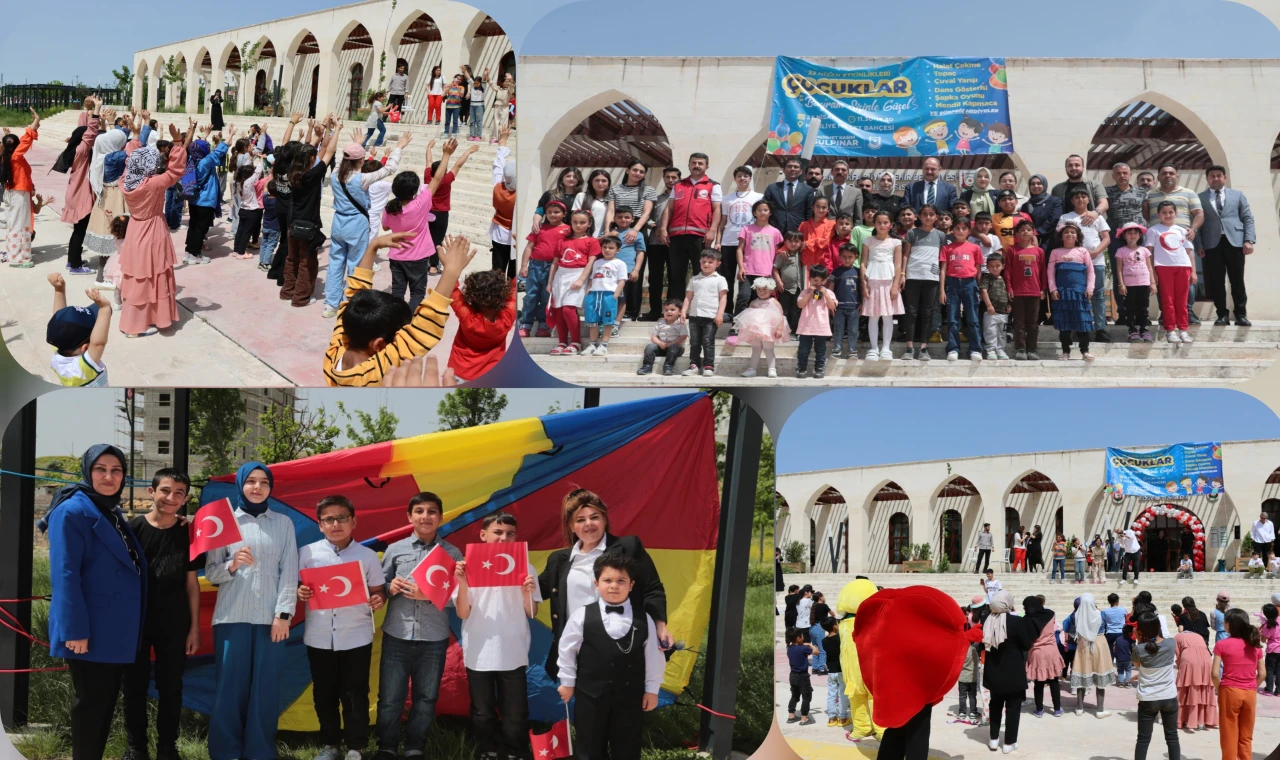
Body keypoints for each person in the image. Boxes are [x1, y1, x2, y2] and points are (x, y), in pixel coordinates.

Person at [44, 445, 146, 760]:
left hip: (111, 629)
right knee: (91, 708)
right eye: (101, 469)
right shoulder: (73, 511)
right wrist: (74, 630)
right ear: (88, 471)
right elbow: (65, 574)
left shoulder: (107, 510)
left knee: (102, 708)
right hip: (88, 632)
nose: (108, 476)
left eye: (116, 470)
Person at [203, 463, 298, 760]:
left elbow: (290, 572)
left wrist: (283, 615)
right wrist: (232, 565)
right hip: (232, 618)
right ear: (241, 485)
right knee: (229, 689)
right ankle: (226, 752)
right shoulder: (223, 521)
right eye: (251, 481)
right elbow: (210, 573)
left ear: (271, 487)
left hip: (271, 621)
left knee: (265, 690)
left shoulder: (284, 523)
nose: (257, 487)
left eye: (264, 482)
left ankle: (260, 752)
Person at [538, 489, 672, 682]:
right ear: (572, 526)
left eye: (594, 517)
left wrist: (661, 626)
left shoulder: (628, 547)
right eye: (580, 520)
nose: (589, 524)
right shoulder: (558, 560)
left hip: (624, 646)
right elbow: (534, 591)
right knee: (585, 708)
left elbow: (652, 588)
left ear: (604, 519)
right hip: (579, 651)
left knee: (624, 707)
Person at [374, 492, 465, 760]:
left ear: (440, 517)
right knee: (390, 697)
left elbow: (460, 596)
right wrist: (391, 587)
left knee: (426, 697)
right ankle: (386, 746)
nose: (426, 516)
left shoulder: (452, 552)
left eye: (432, 511)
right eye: (420, 511)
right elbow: (380, 586)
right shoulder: (395, 549)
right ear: (410, 516)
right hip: (397, 633)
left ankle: (415, 746)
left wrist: (431, 595)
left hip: (434, 637)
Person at [296, 495, 386, 760]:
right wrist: (299, 592)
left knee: (356, 694)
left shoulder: (367, 556)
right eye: (329, 519)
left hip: (356, 636)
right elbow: (294, 588)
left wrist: (379, 598)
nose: (336, 524)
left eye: (342, 518)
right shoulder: (307, 553)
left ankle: (356, 747)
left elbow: (378, 590)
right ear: (320, 524)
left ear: (353, 521)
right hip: (319, 637)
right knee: (324, 694)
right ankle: (330, 745)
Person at [322, 233, 473, 387]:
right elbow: (422, 330)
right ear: (379, 345)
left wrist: (373, 247)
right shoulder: (375, 373)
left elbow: (354, 295)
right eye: (399, 336)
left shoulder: (336, 350)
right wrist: (452, 271)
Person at [122, 469, 201, 760]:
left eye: (179, 493)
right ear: (151, 492)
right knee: (133, 688)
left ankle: (168, 748)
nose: (171, 497)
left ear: (186, 499)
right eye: (165, 490)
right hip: (135, 623)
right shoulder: (131, 529)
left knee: (172, 688)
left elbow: (192, 584)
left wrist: (194, 628)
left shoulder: (187, 532)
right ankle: (136, 748)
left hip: (175, 624)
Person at [453, 512, 541, 760]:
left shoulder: (526, 566)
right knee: (482, 710)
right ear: (483, 535)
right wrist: (461, 582)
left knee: (515, 710)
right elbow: (462, 612)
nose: (504, 538)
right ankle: (487, 750)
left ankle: (517, 751)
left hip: (513, 648)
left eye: (510, 534)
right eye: (498, 532)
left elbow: (532, 612)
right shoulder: (466, 566)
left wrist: (527, 592)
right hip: (479, 650)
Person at [119, 121, 191, 338]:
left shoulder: (126, 181)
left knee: (138, 278)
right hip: (153, 229)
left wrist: (134, 135)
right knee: (154, 276)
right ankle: (148, 322)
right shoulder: (153, 183)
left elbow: (132, 155)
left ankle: (135, 320)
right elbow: (177, 170)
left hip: (135, 229)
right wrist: (177, 142)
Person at [324, 133, 407, 317]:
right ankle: (350, 302)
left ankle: (330, 304)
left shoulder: (336, 173)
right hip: (357, 223)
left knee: (336, 263)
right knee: (357, 264)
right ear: (361, 161)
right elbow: (390, 168)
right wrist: (399, 147)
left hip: (338, 221)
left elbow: (339, 159)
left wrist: (356, 143)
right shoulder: (362, 179)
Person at [380, 139, 457, 311]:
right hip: (418, 257)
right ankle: (410, 321)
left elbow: (385, 228)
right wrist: (446, 154)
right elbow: (437, 178)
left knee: (397, 293)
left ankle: (396, 321)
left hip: (396, 257)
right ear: (415, 191)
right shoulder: (421, 203)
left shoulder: (390, 207)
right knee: (417, 293)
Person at [280, 117, 340, 307]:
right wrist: (336, 129)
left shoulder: (292, 172)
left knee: (292, 259)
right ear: (312, 161)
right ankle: (301, 298)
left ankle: (287, 291)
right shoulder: (312, 176)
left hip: (293, 223)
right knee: (307, 262)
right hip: (307, 225)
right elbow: (329, 152)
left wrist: (321, 134)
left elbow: (317, 151)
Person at [1143, 164, 1205, 326]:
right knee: (1162, 279)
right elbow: (1145, 214)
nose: (1168, 175)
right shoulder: (1150, 195)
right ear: (1159, 177)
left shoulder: (1189, 193)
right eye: (1164, 173)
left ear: (1177, 176)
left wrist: (1193, 229)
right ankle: (1166, 312)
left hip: (1182, 242)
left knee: (1187, 277)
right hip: (1159, 243)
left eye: (1171, 173)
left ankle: (1188, 310)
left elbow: (1199, 213)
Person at [656, 153, 721, 301]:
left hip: (700, 236)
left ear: (706, 166)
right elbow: (669, 208)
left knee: (702, 272)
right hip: (676, 235)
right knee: (676, 273)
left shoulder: (713, 185)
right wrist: (663, 228)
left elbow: (717, 209)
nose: (697, 165)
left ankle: (701, 308)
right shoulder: (678, 185)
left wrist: (712, 230)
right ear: (689, 165)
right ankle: (677, 307)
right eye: (694, 163)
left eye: (700, 163)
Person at [1198, 165, 1255, 326]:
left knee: (1237, 280)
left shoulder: (1237, 195)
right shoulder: (1200, 198)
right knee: (1216, 281)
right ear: (1207, 179)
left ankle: (1241, 314)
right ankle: (1221, 314)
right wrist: (1199, 245)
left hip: (1235, 242)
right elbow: (1197, 223)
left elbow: (1248, 218)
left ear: (1224, 177)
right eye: (1212, 176)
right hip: (1211, 244)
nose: (1215, 178)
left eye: (1218, 175)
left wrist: (1248, 240)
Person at [1057, 189, 1112, 343]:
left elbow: (1106, 238)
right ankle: (1078, 327)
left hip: (1096, 261)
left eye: (1083, 196)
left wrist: (1095, 252)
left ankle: (1100, 329)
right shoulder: (1065, 217)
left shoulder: (1097, 217)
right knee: (1078, 296)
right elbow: (1060, 237)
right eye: (1076, 197)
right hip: (1074, 264)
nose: (1080, 199)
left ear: (1088, 199)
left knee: (1098, 295)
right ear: (1072, 201)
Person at [982, 591, 1034, 754]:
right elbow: (1026, 645)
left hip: (994, 671)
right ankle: (1009, 742)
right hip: (1013, 671)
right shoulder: (1017, 622)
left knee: (995, 705)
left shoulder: (987, 620)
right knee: (1013, 707)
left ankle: (993, 739)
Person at [546, 209, 601, 356]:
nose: (578, 225)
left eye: (582, 222)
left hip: (578, 274)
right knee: (558, 309)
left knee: (568, 309)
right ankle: (562, 342)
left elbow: (591, 262)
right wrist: (550, 282)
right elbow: (555, 262)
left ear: (589, 224)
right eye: (575, 222)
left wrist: (582, 279)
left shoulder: (592, 241)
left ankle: (576, 342)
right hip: (561, 276)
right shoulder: (562, 241)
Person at [424, 133, 480, 275]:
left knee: (427, 238)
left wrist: (429, 148)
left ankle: (424, 262)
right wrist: (468, 151)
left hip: (427, 212)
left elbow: (428, 162)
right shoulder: (446, 179)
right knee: (438, 240)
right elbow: (458, 164)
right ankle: (433, 266)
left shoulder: (427, 177)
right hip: (441, 214)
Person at [1213, 608, 1265, 760]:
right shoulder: (1255, 645)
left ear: (1228, 624)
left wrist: (1220, 688)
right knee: (1246, 736)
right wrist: (1251, 686)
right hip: (1249, 693)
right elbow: (1262, 674)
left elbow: (1215, 673)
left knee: (1229, 735)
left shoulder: (1222, 644)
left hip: (1229, 691)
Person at [46, 273, 112, 386]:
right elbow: (98, 344)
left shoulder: (59, 353)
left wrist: (59, 290)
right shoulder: (83, 369)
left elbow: (59, 320)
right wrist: (105, 309)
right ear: (85, 347)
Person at [1104, 162, 1148, 324]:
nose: (1122, 176)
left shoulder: (1141, 192)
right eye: (1118, 173)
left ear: (1130, 174)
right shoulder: (1107, 192)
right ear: (1113, 176)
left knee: (1140, 274)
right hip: (1116, 238)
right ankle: (1123, 313)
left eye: (1125, 173)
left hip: (1138, 238)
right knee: (1119, 274)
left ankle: (1141, 313)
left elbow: (1145, 213)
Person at [1131, 612, 1180, 760]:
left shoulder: (1138, 649)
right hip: (1169, 697)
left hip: (1148, 698)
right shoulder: (1171, 643)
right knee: (1172, 738)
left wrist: (1139, 639)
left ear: (1140, 631)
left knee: (1143, 740)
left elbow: (1137, 664)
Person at [62, 99, 102, 275]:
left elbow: (83, 132)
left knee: (77, 231)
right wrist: (97, 109)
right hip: (80, 197)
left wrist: (87, 110)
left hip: (74, 195)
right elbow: (90, 132)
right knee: (80, 231)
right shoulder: (82, 152)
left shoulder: (75, 150)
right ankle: (76, 266)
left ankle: (72, 261)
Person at [183, 126, 233, 266]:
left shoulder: (192, 158)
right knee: (200, 228)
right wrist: (231, 135)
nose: (209, 148)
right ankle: (195, 254)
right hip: (204, 202)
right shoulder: (205, 162)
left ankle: (189, 252)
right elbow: (219, 151)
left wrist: (205, 135)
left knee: (193, 226)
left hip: (194, 201)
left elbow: (198, 147)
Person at [519, 200, 569, 337]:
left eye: (557, 212)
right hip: (535, 265)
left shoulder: (568, 230)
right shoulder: (539, 228)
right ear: (545, 214)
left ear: (564, 214)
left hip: (554, 268)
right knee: (531, 295)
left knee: (547, 296)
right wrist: (524, 266)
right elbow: (529, 247)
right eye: (550, 212)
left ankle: (543, 326)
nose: (553, 215)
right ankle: (525, 325)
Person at [900, 204, 944, 360]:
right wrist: (903, 273)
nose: (928, 217)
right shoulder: (912, 233)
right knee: (911, 312)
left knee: (927, 313)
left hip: (931, 279)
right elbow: (905, 255)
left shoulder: (940, 235)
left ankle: (924, 349)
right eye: (924, 214)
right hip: (913, 276)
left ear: (936, 217)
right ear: (919, 216)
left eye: (931, 214)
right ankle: (910, 348)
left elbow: (942, 261)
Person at [1048, 221, 1096, 361]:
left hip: (1080, 293)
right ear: (1061, 236)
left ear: (1077, 236)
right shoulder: (1055, 252)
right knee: (1064, 325)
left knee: (1082, 322)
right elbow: (1050, 272)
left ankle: (1085, 351)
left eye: (1072, 232)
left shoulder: (1083, 251)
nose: (1069, 234)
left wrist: (1090, 288)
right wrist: (1053, 289)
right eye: (1066, 232)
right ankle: (1065, 351)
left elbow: (1091, 271)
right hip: (1062, 293)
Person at [860, 210, 903, 361]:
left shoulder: (896, 242)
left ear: (891, 225)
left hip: (889, 281)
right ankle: (873, 348)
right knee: (873, 316)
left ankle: (886, 348)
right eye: (879, 222)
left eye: (885, 222)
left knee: (887, 316)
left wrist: (895, 285)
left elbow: (898, 265)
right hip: (872, 281)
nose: (882, 225)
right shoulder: (868, 241)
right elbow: (863, 263)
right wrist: (864, 284)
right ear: (874, 223)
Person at [940, 217, 984, 362]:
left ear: (968, 231)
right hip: (952, 283)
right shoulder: (947, 248)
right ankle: (953, 348)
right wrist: (941, 290)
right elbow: (943, 270)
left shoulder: (975, 248)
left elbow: (978, 270)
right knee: (952, 318)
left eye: (963, 228)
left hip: (970, 284)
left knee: (972, 318)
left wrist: (980, 288)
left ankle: (975, 349)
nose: (960, 231)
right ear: (952, 230)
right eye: (957, 228)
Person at [640, 167, 682, 319]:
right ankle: (655, 310)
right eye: (668, 177)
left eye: (674, 177)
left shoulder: (681, 198)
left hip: (675, 243)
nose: (671, 180)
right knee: (655, 278)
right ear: (664, 179)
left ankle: (673, 311)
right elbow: (646, 216)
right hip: (655, 243)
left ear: (679, 179)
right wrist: (654, 226)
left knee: (675, 278)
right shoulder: (656, 199)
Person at [735, 200, 784, 325]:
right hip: (748, 270)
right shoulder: (746, 229)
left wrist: (775, 273)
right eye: (759, 210)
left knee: (762, 300)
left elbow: (777, 253)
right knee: (743, 297)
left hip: (766, 272)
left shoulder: (775, 232)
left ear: (770, 213)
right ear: (754, 213)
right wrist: (741, 267)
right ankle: (737, 325)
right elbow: (740, 249)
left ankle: (760, 325)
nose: (763, 212)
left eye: (765, 210)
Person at [681, 249, 728, 377]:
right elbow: (688, 297)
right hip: (695, 315)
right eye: (704, 262)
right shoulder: (694, 279)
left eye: (710, 262)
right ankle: (694, 365)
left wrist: (719, 314)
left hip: (711, 316)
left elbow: (723, 298)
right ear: (700, 262)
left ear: (717, 263)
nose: (706, 264)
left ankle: (709, 366)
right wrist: (684, 311)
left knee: (708, 341)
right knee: (694, 342)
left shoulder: (720, 279)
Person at [1, 108, 39, 266]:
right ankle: (17, 258)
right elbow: (27, 137)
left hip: (12, 192)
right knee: (20, 224)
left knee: (15, 223)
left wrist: (6, 137)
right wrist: (36, 120)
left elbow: (9, 144)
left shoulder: (4, 156)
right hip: (19, 193)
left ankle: (14, 254)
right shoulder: (16, 156)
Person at [1069, 593, 1115, 717]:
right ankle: (1100, 710)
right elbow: (1105, 626)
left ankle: (1079, 708)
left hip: (1083, 645)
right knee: (1100, 675)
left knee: (1082, 674)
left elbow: (1073, 632)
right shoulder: (1101, 614)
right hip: (1099, 643)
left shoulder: (1076, 615)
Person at [733, 277, 788, 379]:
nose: (761, 292)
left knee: (768, 349)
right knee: (755, 349)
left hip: (768, 330)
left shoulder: (774, 302)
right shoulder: (754, 302)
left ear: (771, 290)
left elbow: (780, 315)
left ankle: (772, 369)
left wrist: (779, 329)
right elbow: (748, 316)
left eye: (765, 290)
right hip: (755, 331)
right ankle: (752, 369)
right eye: (759, 290)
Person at [582, 237, 628, 356]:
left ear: (618, 250)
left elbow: (622, 280)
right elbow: (592, 278)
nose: (607, 250)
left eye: (611, 248)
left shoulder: (620, 263)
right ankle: (593, 344)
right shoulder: (597, 262)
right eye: (605, 247)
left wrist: (615, 295)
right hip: (594, 294)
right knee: (592, 320)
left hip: (609, 294)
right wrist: (588, 291)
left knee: (608, 321)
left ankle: (604, 345)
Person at [1114, 222, 1157, 342]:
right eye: (1129, 233)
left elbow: (1149, 268)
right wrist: (1121, 284)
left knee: (1143, 307)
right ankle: (1132, 330)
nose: (1132, 236)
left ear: (1139, 236)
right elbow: (1119, 269)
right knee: (1130, 307)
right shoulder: (1120, 251)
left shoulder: (1144, 250)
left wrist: (1152, 283)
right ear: (1124, 236)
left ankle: (1144, 329)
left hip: (1143, 283)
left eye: (1135, 233)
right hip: (1129, 284)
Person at [1024, 595, 1064, 718]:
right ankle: (1057, 709)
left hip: (1037, 652)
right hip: (1052, 650)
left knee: (1039, 682)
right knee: (1054, 680)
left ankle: (1039, 709)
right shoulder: (1051, 614)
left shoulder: (1028, 619)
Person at [795, 264, 837, 379]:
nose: (817, 283)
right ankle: (801, 368)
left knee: (821, 350)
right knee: (803, 350)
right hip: (806, 327)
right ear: (810, 279)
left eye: (820, 280)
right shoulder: (805, 292)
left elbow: (832, 306)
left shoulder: (828, 293)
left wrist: (825, 294)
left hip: (821, 327)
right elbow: (800, 305)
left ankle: (819, 368)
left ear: (825, 280)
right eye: (814, 279)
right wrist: (809, 293)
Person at [1175, 627, 1218, 730]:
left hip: (1189, 659)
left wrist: (1180, 665)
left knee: (1187, 688)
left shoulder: (1177, 637)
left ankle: (1185, 719)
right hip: (1206, 659)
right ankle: (1203, 720)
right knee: (1204, 688)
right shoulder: (1199, 636)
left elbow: (1178, 655)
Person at [763, 156, 815, 234]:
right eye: (789, 166)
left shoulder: (808, 190)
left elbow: (809, 212)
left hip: (797, 231)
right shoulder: (772, 188)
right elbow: (765, 207)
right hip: (775, 229)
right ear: (784, 170)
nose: (792, 169)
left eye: (796, 167)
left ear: (800, 171)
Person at [637, 299, 688, 376]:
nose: (669, 312)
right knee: (650, 346)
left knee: (674, 347)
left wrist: (671, 343)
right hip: (662, 347)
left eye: (672, 310)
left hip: (675, 348)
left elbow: (683, 337)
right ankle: (647, 366)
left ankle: (668, 367)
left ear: (680, 312)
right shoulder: (660, 323)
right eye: (666, 310)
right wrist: (659, 342)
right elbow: (653, 336)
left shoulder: (681, 324)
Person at [1051, 154, 1108, 220]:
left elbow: (1104, 203)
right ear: (1066, 168)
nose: (1074, 168)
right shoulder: (1057, 189)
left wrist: (1095, 213)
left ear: (1083, 167)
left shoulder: (1095, 185)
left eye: (1077, 165)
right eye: (1070, 165)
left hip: (1090, 225)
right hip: (1067, 227)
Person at [830, 244, 860, 360]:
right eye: (844, 257)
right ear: (839, 257)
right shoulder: (836, 272)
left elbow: (862, 288)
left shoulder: (858, 272)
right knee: (838, 329)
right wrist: (831, 303)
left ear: (855, 257)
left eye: (850, 257)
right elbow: (831, 289)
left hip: (854, 307)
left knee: (853, 330)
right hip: (839, 307)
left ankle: (852, 351)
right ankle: (837, 350)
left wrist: (862, 302)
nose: (847, 259)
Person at [980, 253, 1012, 360]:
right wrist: (989, 305)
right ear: (987, 266)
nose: (994, 268)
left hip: (1003, 313)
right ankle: (991, 350)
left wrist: (1009, 304)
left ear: (1003, 266)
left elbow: (1008, 292)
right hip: (990, 313)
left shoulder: (1005, 279)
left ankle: (1000, 350)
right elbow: (983, 291)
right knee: (990, 332)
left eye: (997, 265)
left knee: (1002, 332)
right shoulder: (986, 278)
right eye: (991, 266)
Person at [784, 627, 819, 726]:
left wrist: (805, 644)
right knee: (806, 696)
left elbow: (797, 647)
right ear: (798, 638)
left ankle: (791, 715)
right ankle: (804, 718)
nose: (804, 638)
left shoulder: (789, 648)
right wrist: (810, 645)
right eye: (802, 636)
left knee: (795, 695)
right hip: (803, 676)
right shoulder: (804, 648)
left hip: (793, 676)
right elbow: (816, 652)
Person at [1021, 174, 1064, 251]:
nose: (1036, 186)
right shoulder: (1025, 206)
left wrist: (1037, 232)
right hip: (1030, 241)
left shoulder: (1054, 201)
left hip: (1049, 241)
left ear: (1044, 185)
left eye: (1039, 183)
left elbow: (1054, 219)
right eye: (1033, 184)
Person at [822, 616, 851, 727]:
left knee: (831, 694)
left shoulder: (824, 641)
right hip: (841, 670)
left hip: (831, 671)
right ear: (835, 626)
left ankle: (832, 718)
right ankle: (843, 717)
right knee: (843, 694)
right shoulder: (840, 638)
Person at [1258, 603, 1280, 696]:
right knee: (1279, 669)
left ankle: (1268, 690)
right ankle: (1278, 691)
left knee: (1269, 669)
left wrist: (1260, 633)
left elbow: (1263, 639)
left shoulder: (1268, 625)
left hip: (1272, 650)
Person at [808, 591, 831, 674]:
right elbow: (833, 614)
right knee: (822, 649)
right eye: (823, 596)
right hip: (820, 628)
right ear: (820, 597)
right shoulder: (824, 606)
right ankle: (821, 668)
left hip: (812, 628)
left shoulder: (814, 606)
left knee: (815, 648)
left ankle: (815, 667)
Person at [490, 72, 513, 144]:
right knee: (496, 122)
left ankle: (502, 138)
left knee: (504, 123)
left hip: (505, 106)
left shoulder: (509, 90)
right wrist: (487, 76)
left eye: (508, 82)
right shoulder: (499, 88)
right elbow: (492, 84)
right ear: (502, 82)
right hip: (497, 105)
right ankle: (495, 138)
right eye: (506, 81)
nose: (507, 83)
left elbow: (512, 86)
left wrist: (511, 79)